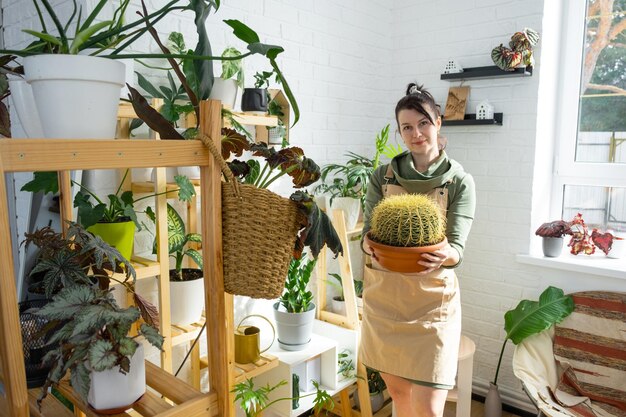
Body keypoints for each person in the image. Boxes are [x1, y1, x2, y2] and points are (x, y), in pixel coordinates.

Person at [359, 83, 476, 417]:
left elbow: (457, 249)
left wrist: (444, 256)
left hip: (431, 305)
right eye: (406, 127)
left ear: (438, 122)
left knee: (429, 409)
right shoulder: (382, 176)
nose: (416, 133)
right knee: (398, 393)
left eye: (423, 123)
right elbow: (369, 234)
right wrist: (368, 243)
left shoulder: (459, 181)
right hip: (386, 298)